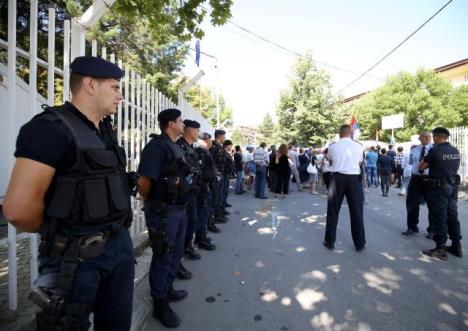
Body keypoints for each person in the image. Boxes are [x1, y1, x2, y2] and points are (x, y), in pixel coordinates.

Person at [3, 56, 135, 331]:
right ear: (90, 84)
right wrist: (64, 232)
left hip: (118, 246)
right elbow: (18, 209)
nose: (120, 96)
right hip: (76, 258)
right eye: (114, 87)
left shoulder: (105, 132)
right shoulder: (49, 128)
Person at [138, 108, 190, 328]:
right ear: (171, 124)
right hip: (163, 212)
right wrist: (151, 204)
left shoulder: (175, 146)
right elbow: (144, 182)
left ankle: (167, 289)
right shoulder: (156, 147)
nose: (183, 124)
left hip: (179, 210)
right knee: (163, 255)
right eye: (180, 121)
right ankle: (159, 301)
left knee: (175, 254)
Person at [420, 127, 463, 260]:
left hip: (438, 188)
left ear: (438, 137)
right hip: (453, 187)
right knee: (452, 216)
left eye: (433, 137)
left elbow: (421, 167)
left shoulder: (435, 150)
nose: (433, 139)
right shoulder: (455, 150)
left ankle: (440, 248)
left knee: (439, 217)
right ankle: (456, 246)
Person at [324, 125, 366, 251]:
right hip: (354, 179)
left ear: (339, 133)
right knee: (357, 212)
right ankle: (360, 243)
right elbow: (360, 162)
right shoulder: (359, 146)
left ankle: (330, 241)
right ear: (351, 133)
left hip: (337, 179)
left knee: (333, 210)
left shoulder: (332, 147)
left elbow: (330, 161)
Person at [177, 120, 202, 261]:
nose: (198, 133)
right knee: (186, 224)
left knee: (192, 221)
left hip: (192, 191)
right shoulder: (180, 146)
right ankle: (182, 251)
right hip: (183, 193)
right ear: (191, 130)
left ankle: (186, 247)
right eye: (197, 130)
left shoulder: (190, 147)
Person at [402, 131, 434, 238]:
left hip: (429, 179)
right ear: (420, 138)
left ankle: (432, 230)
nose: (428, 138)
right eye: (425, 136)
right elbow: (411, 163)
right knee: (411, 203)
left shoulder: (434, 149)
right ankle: (412, 227)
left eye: (429, 136)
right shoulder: (414, 149)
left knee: (432, 205)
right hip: (415, 178)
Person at [194, 132, 218, 250]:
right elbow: (200, 173)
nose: (211, 141)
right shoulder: (200, 152)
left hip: (207, 186)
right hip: (203, 188)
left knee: (205, 212)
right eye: (210, 139)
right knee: (202, 213)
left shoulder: (205, 151)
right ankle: (200, 238)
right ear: (205, 140)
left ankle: (202, 235)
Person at [210, 130, 229, 224]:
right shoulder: (213, 147)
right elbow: (212, 162)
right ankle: (213, 219)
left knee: (219, 196)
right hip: (216, 176)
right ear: (219, 136)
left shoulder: (219, 147)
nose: (225, 138)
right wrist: (216, 175)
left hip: (220, 175)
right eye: (224, 136)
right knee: (215, 197)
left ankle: (218, 214)